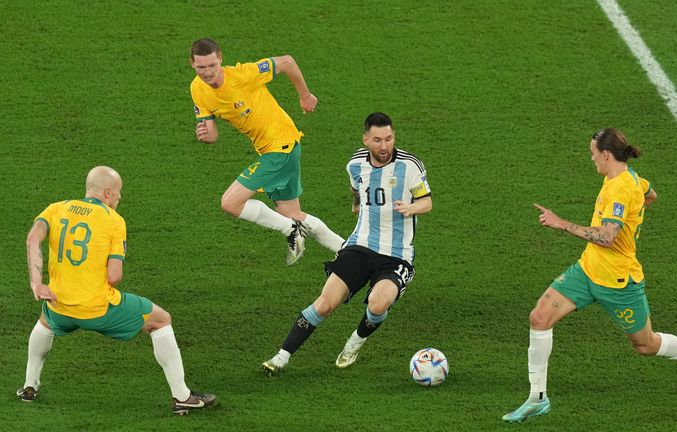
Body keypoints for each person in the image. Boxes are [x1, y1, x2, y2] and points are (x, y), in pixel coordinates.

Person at [502, 129, 677, 423]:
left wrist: (561, 223)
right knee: (539, 317)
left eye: (593, 154)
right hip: (588, 270)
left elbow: (606, 238)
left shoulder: (620, 189)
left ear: (606, 155)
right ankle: (537, 398)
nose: (591, 159)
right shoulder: (626, 178)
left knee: (646, 344)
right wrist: (633, 217)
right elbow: (650, 194)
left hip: (619, 282)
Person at [17, 166, 216, 416]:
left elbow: (33, 237)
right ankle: (182, 396)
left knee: (45, 321)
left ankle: (29, 386)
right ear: (108, 193)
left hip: (59, 305)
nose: (120, 198)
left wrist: (37, 283)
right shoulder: (114, 220)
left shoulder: (57, 208)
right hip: (98, 309)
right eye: (119, 193)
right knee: (161, 320)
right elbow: (114, 276)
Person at [261, 112, 432, 375]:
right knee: (325, 303)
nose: (384, 146)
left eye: (388, 139)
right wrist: (355, 205)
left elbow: (427, 202)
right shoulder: (355, 164)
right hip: (360, 245)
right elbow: (356, 189)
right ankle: (281, 357)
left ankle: (356, 340)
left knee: (377, 303)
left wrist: (412, 207)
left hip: (397, 254)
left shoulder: (410, 165)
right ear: (366, 139)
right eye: (377, 140)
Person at [189, 38, 344, 265]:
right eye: (201, 67)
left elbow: (287, 62)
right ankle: (349, 250)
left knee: (230, 203)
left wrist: (305, 95)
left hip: (280, 148)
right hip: (279, 149)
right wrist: (205, 135)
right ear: (192, 64)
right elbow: (212, 135)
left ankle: (292, 231)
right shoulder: (197, 89)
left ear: (220, 59)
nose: (208, 72)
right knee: (293, 214)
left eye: (212, 65)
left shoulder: (243, 75)